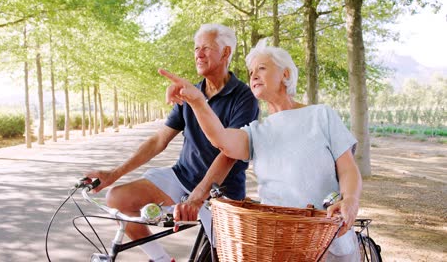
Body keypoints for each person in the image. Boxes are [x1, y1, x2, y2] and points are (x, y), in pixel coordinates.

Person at [159, 40, 362, 261]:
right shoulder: (256, 132)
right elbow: (221, 139)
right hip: (278, 243)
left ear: (285, 74)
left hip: (328, 237)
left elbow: (348, 169)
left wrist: (350, 199)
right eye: (251, 71)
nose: (253, 75)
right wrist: (197, 101)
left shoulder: (321, 115)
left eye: (262, 68)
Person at [86, 23, 259, 262]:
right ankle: (162, 260)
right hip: (182, 176)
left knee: (228, 256)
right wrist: (113, 174)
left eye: (206, 48)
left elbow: (229, 153)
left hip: (222, 190)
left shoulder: (244, 97)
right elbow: (159, 140)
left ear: (226, 53)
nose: (198, 54)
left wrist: (198, 197)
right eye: (196, 48)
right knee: (117, 199)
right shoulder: (189, 93)